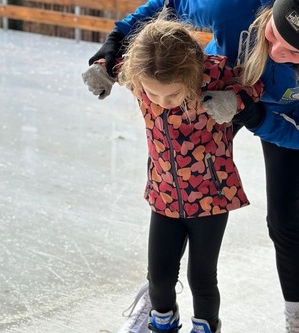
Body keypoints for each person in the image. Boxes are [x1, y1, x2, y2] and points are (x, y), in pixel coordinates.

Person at [86, 0, 299, 332]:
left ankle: (298, 320)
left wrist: (255, 115)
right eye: (273, 34)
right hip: (220, 85)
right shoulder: (235, 7)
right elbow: (168, 4)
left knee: (284, 219)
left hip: (280, 116)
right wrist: (115, 42)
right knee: (175, 159)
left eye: (293, 52)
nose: (274, 51)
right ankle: (157, 296)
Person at [83, 16, 264, 333]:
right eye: (153, 95)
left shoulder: (213, 74)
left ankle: (206, 327)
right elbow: (111, 63)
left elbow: (256, 84)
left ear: (193, 76)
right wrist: (99, 67)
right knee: (159, 277)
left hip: (211, 198)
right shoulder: (141, 74)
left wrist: (234, 99)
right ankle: (162, 324)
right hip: (164, 195)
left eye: (172, 95)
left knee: (202, 277)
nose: (162, 103)